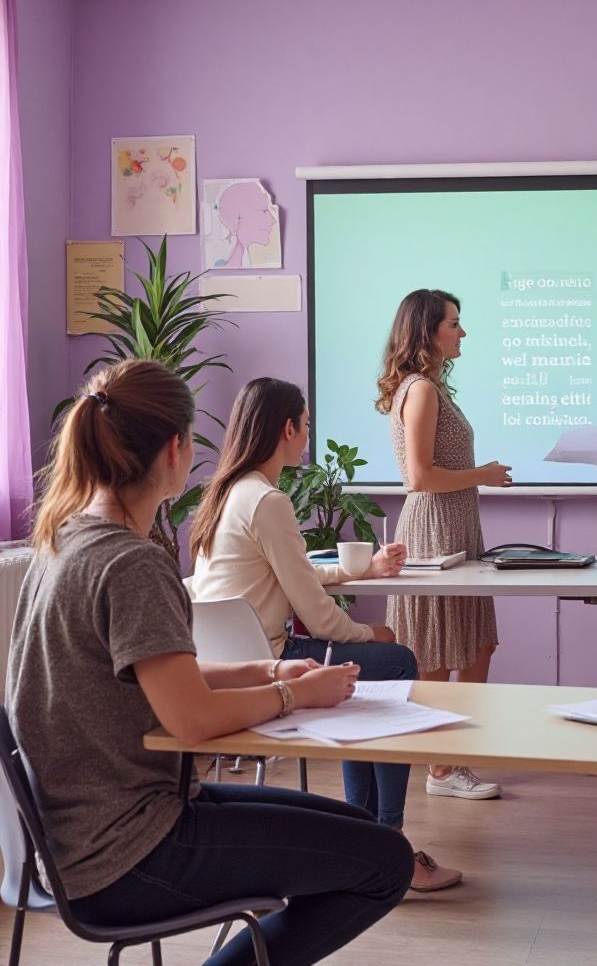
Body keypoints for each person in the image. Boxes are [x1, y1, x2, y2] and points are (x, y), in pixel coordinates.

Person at [6, 359, 413, 966]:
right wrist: (297, 697)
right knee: (385, 862)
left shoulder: (62, 540)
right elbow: (192, 721)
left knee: (369, 841)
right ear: (176, 448)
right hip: (127, 852)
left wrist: (270, 672)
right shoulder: (131, 563)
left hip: (83, 836)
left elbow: (151, 678)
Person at [190, 377, 461, 892]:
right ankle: (392, 846)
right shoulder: (268, 501)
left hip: (228, 662)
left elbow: (292, 573)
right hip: (273, 661)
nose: (309, 436)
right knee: (396, 660)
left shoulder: (228, 493)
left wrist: (364, 571)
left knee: (366, 671)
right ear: (287, 428)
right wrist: (369, 632)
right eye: (307, 425)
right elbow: (318, 617)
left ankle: (360, 839)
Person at [375, 289, 511, 799]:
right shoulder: (423, 391)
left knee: (475, 642)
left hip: (455, 524)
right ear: (428, 331)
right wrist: (486, 474)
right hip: (433, 526)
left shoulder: (429, 387)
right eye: (455, 323)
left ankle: (450, 760)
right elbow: (419, 476)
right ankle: (441, 767)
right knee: (437, 648)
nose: (463, 331)